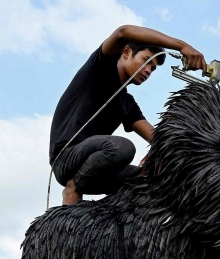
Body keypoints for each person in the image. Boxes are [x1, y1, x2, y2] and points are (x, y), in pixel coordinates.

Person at [49, 25, 208, 205]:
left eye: (153, 69)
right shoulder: (100, 68)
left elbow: (158, 138)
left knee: (152, 179)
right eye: (146, 61)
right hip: (66, 158)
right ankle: (74, 188)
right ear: (126, 52)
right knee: (122, 148)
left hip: (97, 170)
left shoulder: (127, 103)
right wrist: (181, 46)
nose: (148, 70)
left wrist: (167, 151)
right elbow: (122, 32)